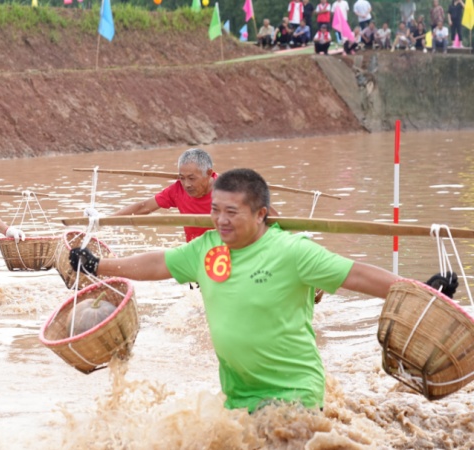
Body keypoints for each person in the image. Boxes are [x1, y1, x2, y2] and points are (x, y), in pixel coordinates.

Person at [68, 168, 412, 413]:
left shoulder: (293, 252)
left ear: (262, 214)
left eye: (232, 212)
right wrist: (99, 265)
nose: (221, 221)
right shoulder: (206, 247)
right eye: (215, 211)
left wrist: (423, 291)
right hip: (237, 395)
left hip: (293, 395)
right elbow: (159, 264)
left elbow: (360, 276)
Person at [108, 149, 219, 243]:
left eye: (192, 178)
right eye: (182, 177)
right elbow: (144, 207)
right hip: (195, 251)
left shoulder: (227, 190)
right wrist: (105, 221)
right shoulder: (177, 189)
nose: (186, 184)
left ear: (209, 173)